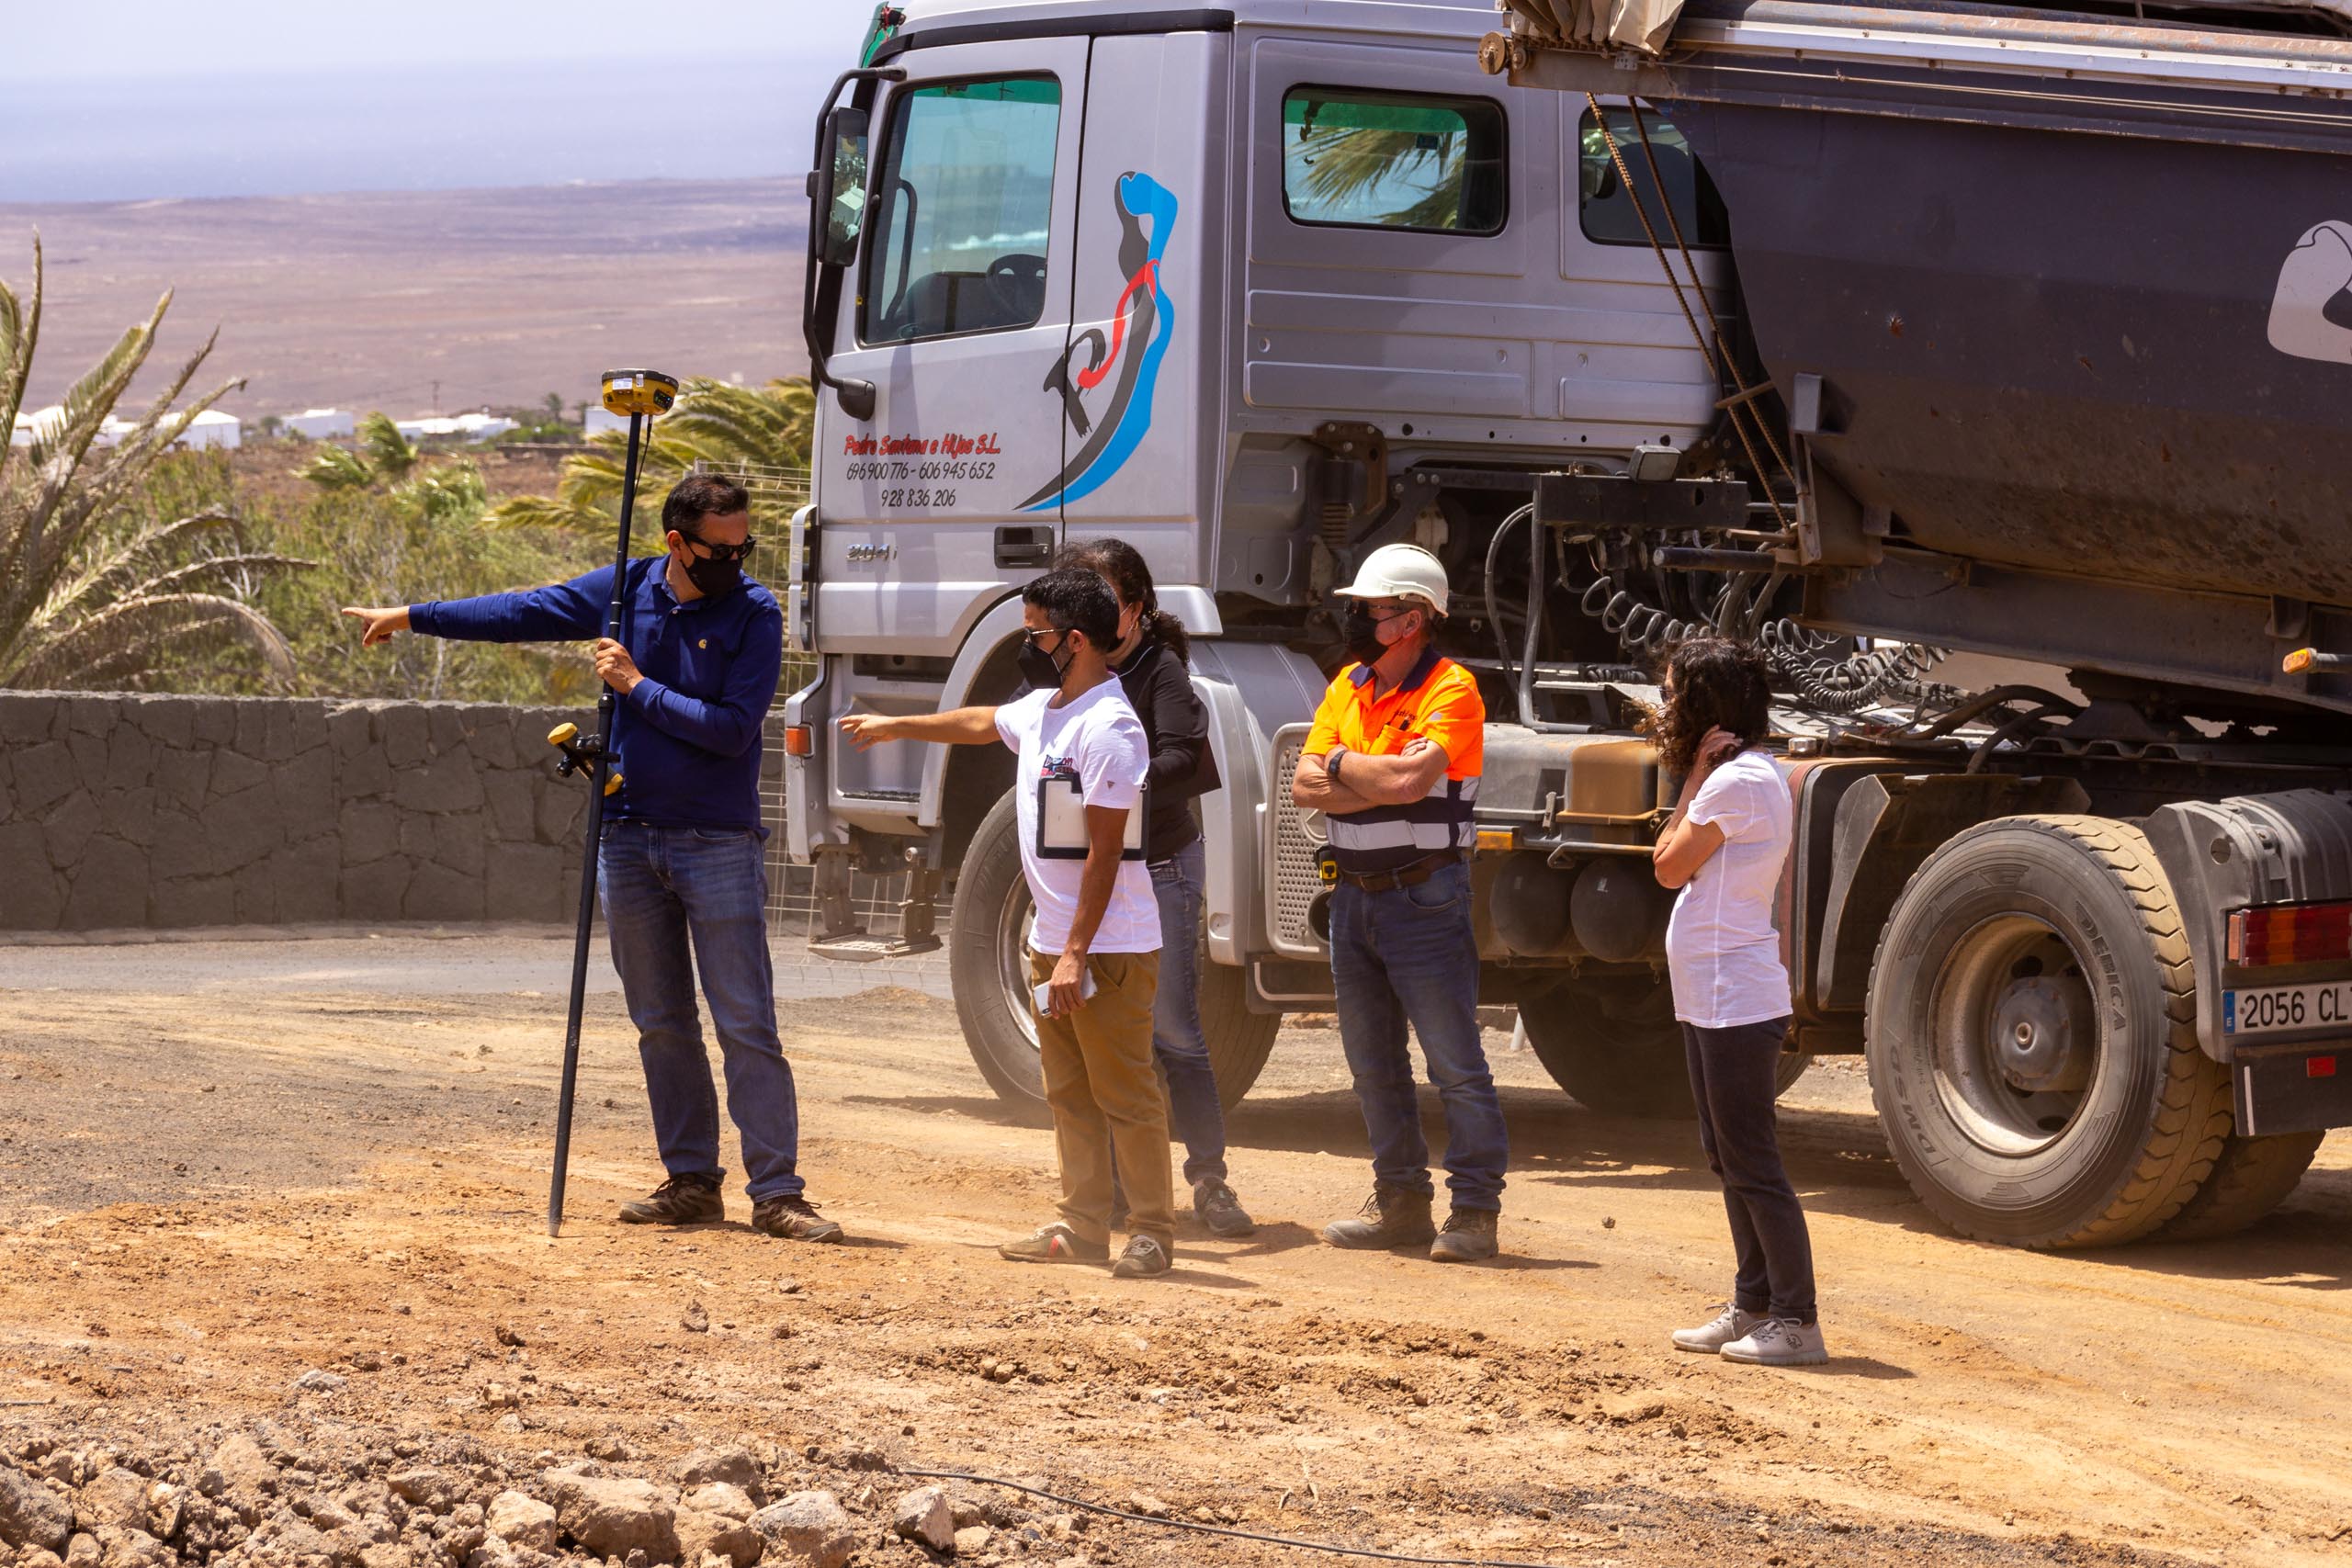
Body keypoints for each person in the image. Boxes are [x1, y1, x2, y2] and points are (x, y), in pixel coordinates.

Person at [341, 474, 844, 1245]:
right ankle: (691, 1182)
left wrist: (635, 685)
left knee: (746, 1022)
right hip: (628, 835)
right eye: (723, 547)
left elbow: (733, 730)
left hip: (717, 842)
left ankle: (777, 1190)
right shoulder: (624, 589)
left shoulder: (755, 613)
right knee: (660, 1021)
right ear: (678, 542)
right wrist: (412, 616)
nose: (738, 558)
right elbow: (523, 609)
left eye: (748, 545)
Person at [839, 569, 1175, 1279]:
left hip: (1103, 950)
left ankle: (1150, 1230)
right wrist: (896, 724)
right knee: (1070, 1092)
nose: (1028, 643)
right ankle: (1084, 1224)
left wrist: (1076, 954)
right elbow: (982, 720)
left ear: (1075, 640)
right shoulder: (1048, 707)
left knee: (1126, 1092)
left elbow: (1107, 851)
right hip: (1052, 945)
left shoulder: (1109, 728)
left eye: (1036, 632)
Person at [1290, 543, 1508, 1264]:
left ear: (1412, 619)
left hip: (1423, 895)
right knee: (1372, 1061)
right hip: (1353, 898)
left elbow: (1412, 783)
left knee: (1455, 1062)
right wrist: (1372, 776)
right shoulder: (1347, 684)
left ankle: (1474, 1212)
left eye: (1373, 608)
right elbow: (1302, 783)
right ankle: (1403, 1204)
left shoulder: (1453, 690)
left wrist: (1345, 766)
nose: (1358, 617)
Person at [1053, 538, 1254, 1238]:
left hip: (1159, 866)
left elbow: (1181, 757)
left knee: (1170, 1030)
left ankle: (1210, 1180)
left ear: (1134, 609)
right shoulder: (1066, 676)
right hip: (1093, 870)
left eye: (1106, 599)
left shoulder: (1162, 670)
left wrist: (1117, 780)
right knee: (1102, 1036)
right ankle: (1111, 1189)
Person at [1650, 635, 1823, 1367]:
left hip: (1734, 997)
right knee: (1727, 1154)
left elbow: (1666, 865)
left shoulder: (1734, 783)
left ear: (1701, 708)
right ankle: (1754, 1303)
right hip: (1714, 993)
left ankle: (1797, 1320)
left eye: (1670, 694)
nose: (1662, 708)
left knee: (1751, 1159)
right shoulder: (1744, 777)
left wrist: (1689, 779)